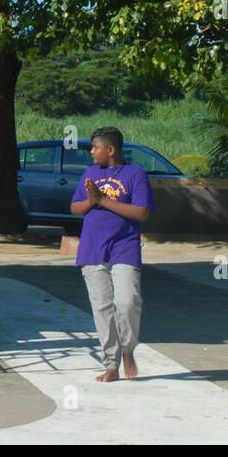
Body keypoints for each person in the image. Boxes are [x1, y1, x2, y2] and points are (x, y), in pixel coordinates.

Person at [70, 126, 154, 383]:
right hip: (92, 248)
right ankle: (112, 363)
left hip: (124, 247)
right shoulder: (91, 173)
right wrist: (92, 201)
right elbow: (75, 207)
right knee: (102, 308)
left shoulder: (134, 174)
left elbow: (141, 212)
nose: (92, 152)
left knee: (128, 302)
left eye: (95, 147)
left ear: (110, 149)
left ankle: (128, 349)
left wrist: (104, 200)